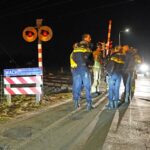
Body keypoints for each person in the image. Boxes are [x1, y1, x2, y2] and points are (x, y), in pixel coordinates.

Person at [70, 35, 94, 111]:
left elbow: (73, 58)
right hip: (84, 68)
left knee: (77, 86)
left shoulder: (75, 50)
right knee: (87, 87)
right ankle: (89, 104)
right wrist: (88, 64)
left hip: (76, 69)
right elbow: (91, 61)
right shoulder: (87, 49)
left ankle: (76, 103)